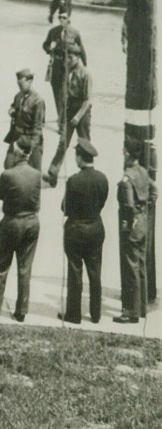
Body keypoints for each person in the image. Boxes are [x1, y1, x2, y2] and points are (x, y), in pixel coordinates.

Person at [0, 139, 42, 322]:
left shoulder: (8, 174)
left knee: (0, 265)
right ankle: (21, 310)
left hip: (12, 222)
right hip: (32, 222)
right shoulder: (37, 175)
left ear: (16, 153)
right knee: (25, 268)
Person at [59, 140, 108, 325]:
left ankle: (74, 314)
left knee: (75, 271)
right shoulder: (102, 178)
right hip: (95, 227)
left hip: (76, 230)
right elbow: (102, 202)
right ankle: (96, 314)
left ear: (80, 157)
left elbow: (65, 207)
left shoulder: (74, 180)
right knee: (95, 272)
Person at [114, 138, 155, 324]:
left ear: (129, 154)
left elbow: (128, 206)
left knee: (131, 266)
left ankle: (131, 311)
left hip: (131, 225)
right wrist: (145, 207)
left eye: (124, 151)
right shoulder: (144, 172)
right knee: (141, 264)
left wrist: (127, 223)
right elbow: (154, 191)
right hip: (143, 221)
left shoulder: (127, 177)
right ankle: (142, 308)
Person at [45, 54, 92, 188]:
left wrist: (78, 116)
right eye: (66, 58)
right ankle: (53, 173)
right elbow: (64, 95)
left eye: (71, 58)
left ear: (78, 57)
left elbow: (88, 100)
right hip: (69, 110)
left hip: (82, 112)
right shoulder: (68, 72)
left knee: (85, 145)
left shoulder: (85, 74)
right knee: (62, 143)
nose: (68, 60)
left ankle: (87, 176)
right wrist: (62, 115)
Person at [42, 12, 86, 113]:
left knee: (67, 90)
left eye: (64, 18)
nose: (62, 20)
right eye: (60, 17)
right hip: (57, 63)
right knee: (56, 88)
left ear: (68, 20)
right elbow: (45, 44)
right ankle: (60, 114)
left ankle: (65, 115)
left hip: (69, 64)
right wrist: (49, 49)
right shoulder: (53, 31)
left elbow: (81, 48)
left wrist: (85, 64)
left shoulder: (74, 32)